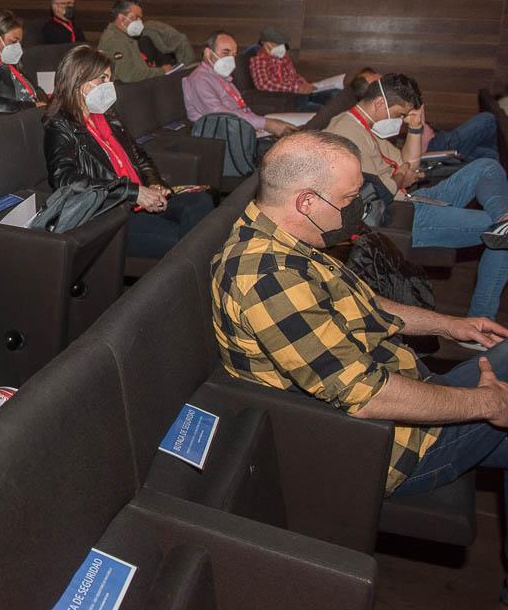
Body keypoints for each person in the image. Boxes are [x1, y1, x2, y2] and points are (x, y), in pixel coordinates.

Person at [211, 129, 508, 608]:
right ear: (307, 201)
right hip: (387, 446)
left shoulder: (288, 240)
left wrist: (453, 326)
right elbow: (368, 397)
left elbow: (368, 306)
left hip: (404, 388)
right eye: (349, 198)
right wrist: (487, 402)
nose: (357, 209)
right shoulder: (268, 279)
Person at [324, 73, 508, 319]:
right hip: (401, 215)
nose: (400, 121)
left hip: (411, 199)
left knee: (486, 165)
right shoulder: (345, 133)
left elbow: (408, 163)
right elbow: (374, 194)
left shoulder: (363, 126)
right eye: (400, 115)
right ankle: (481, 322)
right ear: (380, 103)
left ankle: (503, 219)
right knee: (503, 235)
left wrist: (416, 127)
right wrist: (401, 177)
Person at [45, 45, 213, 259]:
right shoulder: (60, 125)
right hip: (113, 212)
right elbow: (66, 180)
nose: (109, 85)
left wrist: (154, 183)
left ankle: (194, 268)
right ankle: (193, 273)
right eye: (102, 79)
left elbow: (138, 155)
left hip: (140, 197)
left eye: (109, 78)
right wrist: (133, 192)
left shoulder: (107, 115)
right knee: (186, 242)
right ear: (80, 81)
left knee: (202, 201)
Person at [351, 67, 499, 163]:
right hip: (433, 149)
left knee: (489, 156)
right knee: (487, 119)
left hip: (437, 138)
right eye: (379, 85)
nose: (387, 87)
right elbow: (401, 158)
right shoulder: (378, 125)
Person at [183, 31, 296, 137]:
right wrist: (266, 124)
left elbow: (240, 107)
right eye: (225, 53)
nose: (231, 59)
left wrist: (256, 123)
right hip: (222, 135)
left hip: (238, 128)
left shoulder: (219, 76)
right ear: (208, 53)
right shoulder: (200, 79)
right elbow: (219, 114)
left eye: (233, 54)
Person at [96, 0, 194, 83]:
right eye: (136, 17)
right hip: (128, 94)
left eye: (140, 18)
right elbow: (129, 75)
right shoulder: (114, 40)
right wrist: (162, 71)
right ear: (122, 18)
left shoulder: (125, 37)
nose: (140, 22)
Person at [247, 27, 338, 112]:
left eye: (282, 44)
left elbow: (294, 75)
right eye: (277, 44)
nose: (281, 47)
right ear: (265, 43)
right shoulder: (259, 60)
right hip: (287, 98)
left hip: (299, 93)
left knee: (335, 95)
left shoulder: (283, 57)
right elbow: (264, 84)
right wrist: (297, 88)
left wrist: (305, 84)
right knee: (322, 110)